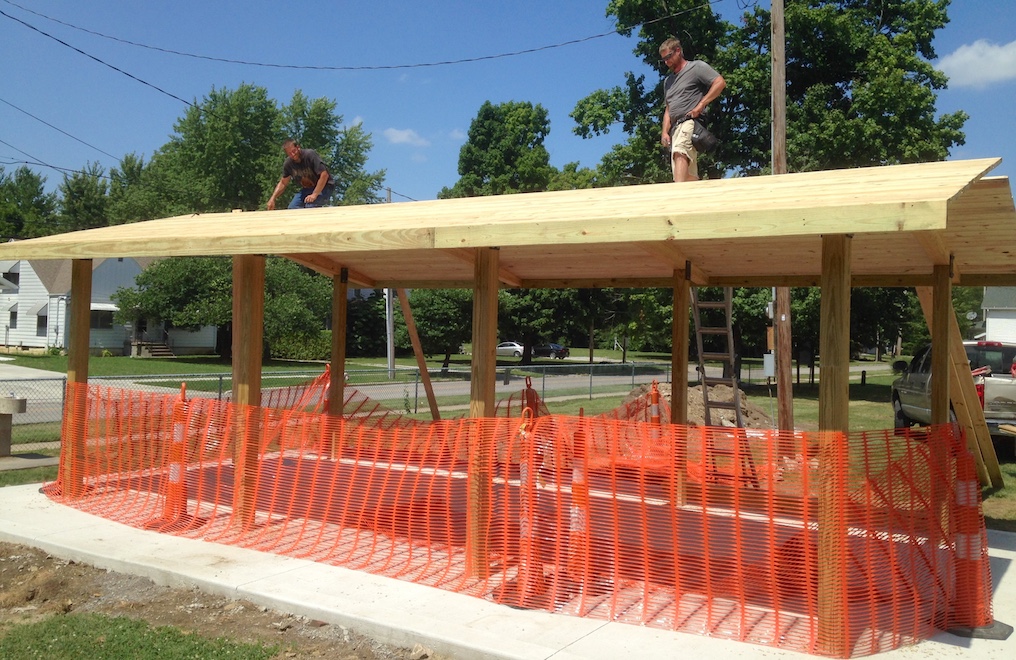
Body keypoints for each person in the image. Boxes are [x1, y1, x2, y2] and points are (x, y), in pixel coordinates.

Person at [659, 37, 726, 183]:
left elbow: (719, 82)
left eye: (668, 57)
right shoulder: (668, 82)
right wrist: (665, 131)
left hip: (690, 122)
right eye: (663, 59)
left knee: (680, 153)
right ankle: (698, 200)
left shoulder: (696, 68)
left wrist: (701, 105)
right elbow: (668, 109)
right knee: (687, 174)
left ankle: (677, 197)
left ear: (678, 51)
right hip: (675, 128)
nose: (666, 62)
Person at [266, 139, 336, 210]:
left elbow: (324, 175)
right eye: (289, 153)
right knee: (292, 208)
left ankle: (326, 208)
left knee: (310, 207)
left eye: (294, 151)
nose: (292, 155)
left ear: (298, 147)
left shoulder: (310, 155)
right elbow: (283, 183)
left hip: (324, 186)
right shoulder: (289, 164)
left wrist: (315, 194)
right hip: (307, 189)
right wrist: (272, 198)